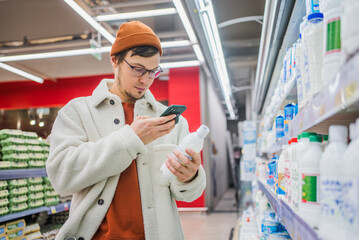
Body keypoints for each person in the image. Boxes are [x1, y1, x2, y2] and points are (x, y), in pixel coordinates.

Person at [46, 21, 206, 240]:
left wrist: (190, 177)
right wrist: (132, 138)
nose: (146, 80)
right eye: (138, 69)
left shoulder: (169, 120)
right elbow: (61, 178)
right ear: (115, 60)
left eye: (153, 72)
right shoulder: (78, 113)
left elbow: (186, 195)